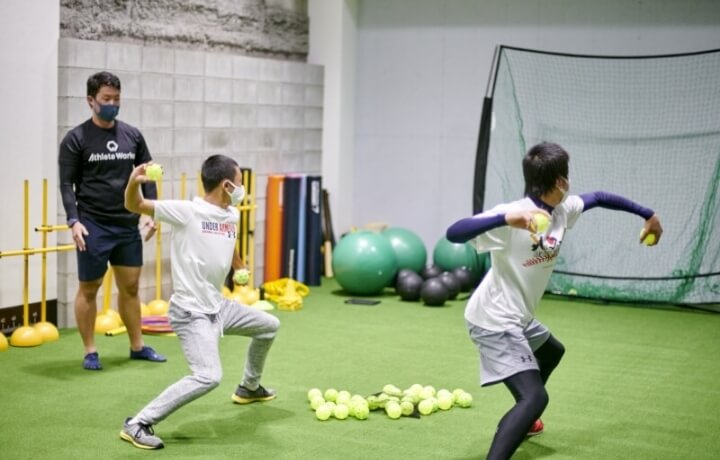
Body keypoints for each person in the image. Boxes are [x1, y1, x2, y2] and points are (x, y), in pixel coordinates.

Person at [446, 142, 663, 460]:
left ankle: (524, 418)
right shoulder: (514, 215)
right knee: (535, 398)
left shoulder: (562, 210)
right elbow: (454, 233)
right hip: (493, 319)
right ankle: (524, 415)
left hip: (518, 316)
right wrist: (505, 218)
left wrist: (649, 215)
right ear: (561, 181)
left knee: (551, 351)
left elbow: (600, 197)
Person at [120, 154, 280, 450]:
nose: (242, 189)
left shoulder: (231, 214)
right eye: (239, 183)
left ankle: (249, 387)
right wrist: (133, 182)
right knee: (208, 376)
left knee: (269, 325)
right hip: (191, 313)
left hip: (219, 307)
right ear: (227, 185)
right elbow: (134, 205)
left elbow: (229, 242)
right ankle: (138, 423)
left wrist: (239, 266)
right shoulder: (187, 212)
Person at [58, 71, 166, 370]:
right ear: (90, 100)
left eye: (117, 99)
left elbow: (148, 172)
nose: (112, 104)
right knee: (89, 288)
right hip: (93, 225)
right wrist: (73, 221)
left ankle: (137, 346)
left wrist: (152, 212)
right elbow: (66, 184)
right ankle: (90, 351)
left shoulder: (132, 135)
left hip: (126, 224)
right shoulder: (76, 139)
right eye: (106, 99)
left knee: (130, 288)